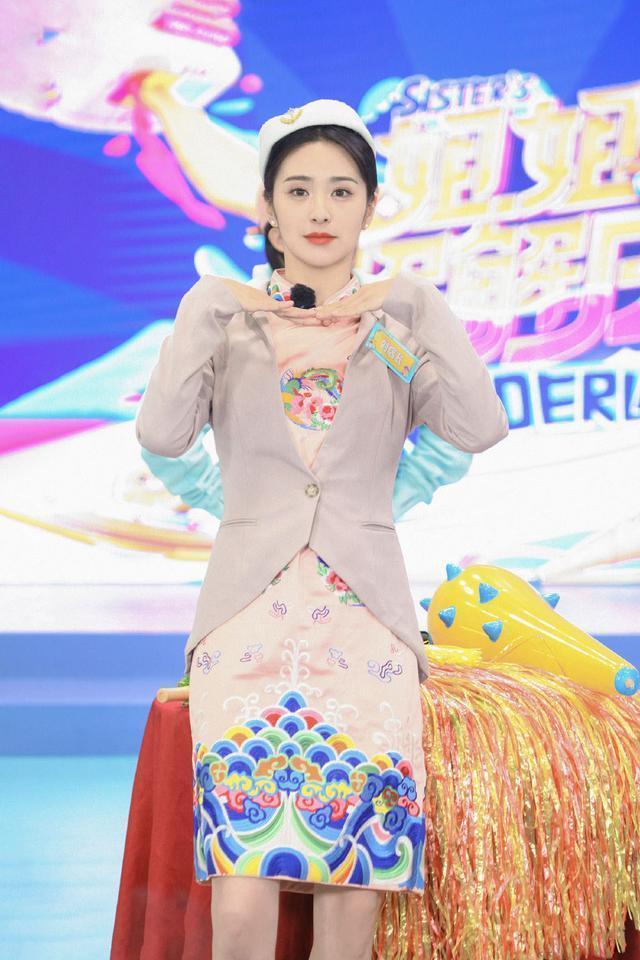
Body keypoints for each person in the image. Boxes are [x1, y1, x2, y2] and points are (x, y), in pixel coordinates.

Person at [135, 98, 509, 960]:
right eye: (298, 190)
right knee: (240, 895)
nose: (319, 210)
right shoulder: (227, 320)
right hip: (245, 623)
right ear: (265, 206)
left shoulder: (396, 326)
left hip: (366, 624)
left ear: (369, 206)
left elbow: (477, 428)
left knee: (354, 886)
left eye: (342, 191)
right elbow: (162, 436)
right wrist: (204, 311)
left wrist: (420, 305)